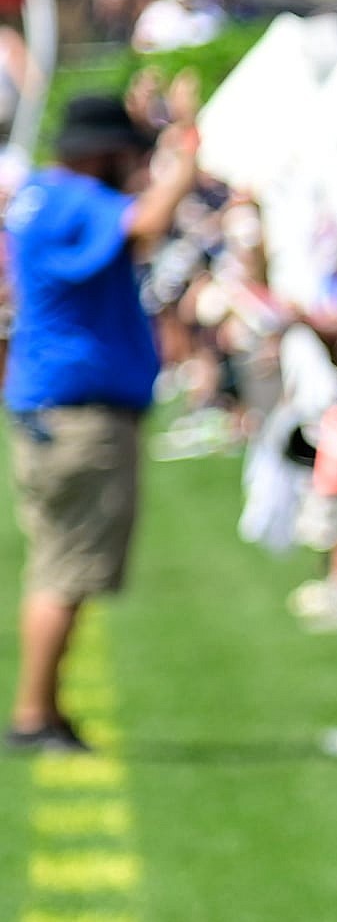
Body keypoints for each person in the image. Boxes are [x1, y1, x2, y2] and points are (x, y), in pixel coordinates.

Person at [4, 92, 199, 754]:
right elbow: (145, 226)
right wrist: (183, 164)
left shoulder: (42, 194)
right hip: (79, 410)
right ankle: (33, 716)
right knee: (64, 569)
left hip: (58, 404)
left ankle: (44, 710)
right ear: (99, 154)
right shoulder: (72, 200)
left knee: (59, 563)